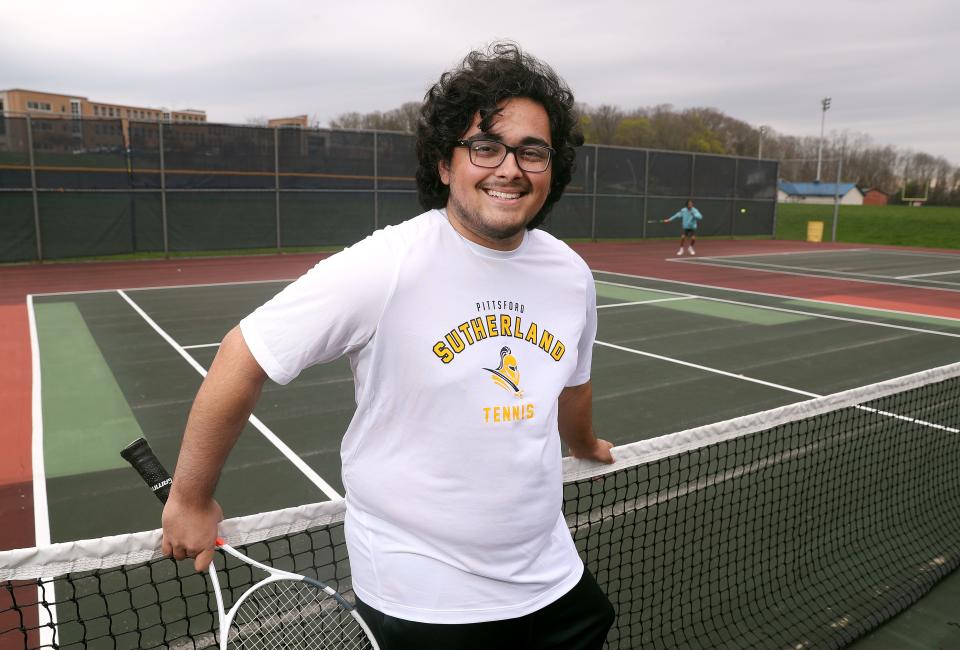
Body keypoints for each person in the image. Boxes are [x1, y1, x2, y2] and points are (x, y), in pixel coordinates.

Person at [160, 42, 616, 649]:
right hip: (423, 601)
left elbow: (572, 382)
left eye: (532, 152)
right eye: (486, 146)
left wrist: (583, 443)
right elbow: (243, 353)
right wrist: (191, 497)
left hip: (553, 582)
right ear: (446, 165)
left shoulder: (569, 273)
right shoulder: (386, 265)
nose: (510, 168)